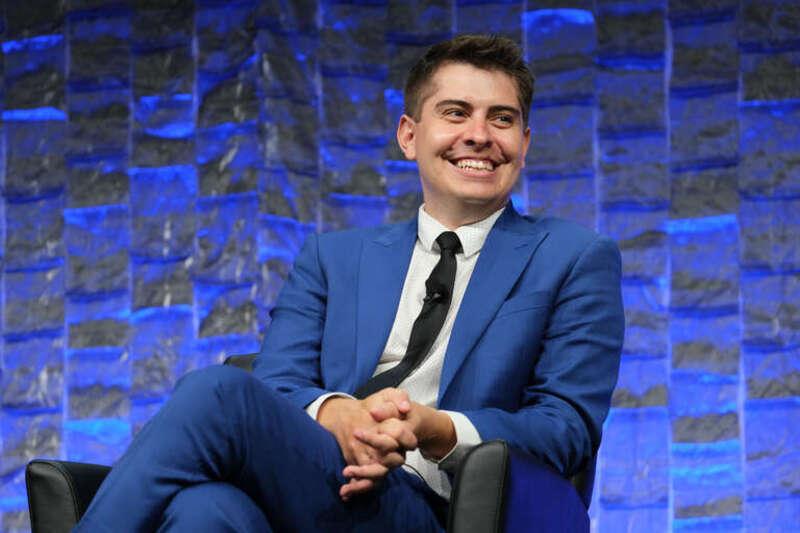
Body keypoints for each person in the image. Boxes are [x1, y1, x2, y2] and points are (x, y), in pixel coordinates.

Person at [75, 34, 624, 532]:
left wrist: (433, 429)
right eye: (455, 113)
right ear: (409, 136)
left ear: (524, 144)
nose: (478, 135)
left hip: (430, 507)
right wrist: (338, 415)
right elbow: (278, 380)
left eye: (501, 119)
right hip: (312, 478)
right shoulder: (332, 258)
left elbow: (566, 427)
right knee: (206, 512)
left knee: (216, 392)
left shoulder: (574, 257)